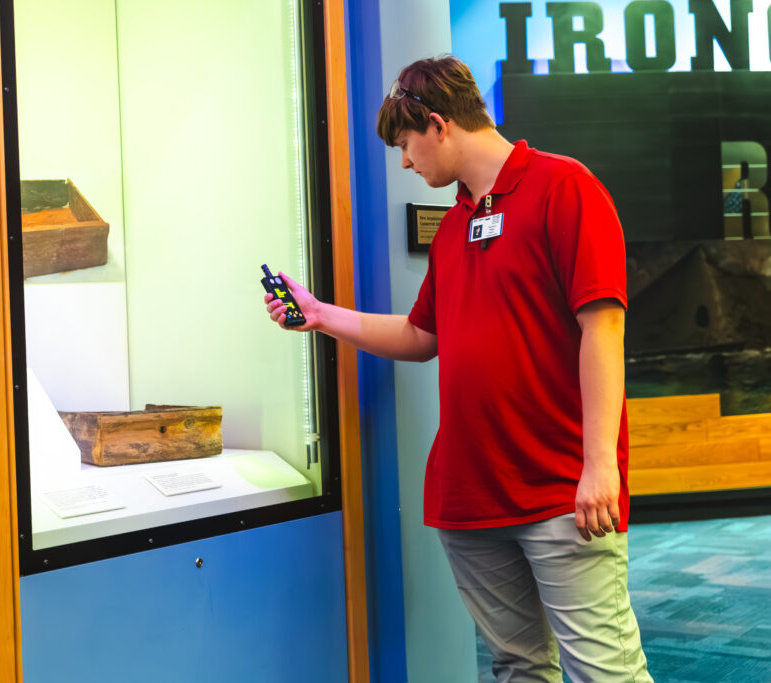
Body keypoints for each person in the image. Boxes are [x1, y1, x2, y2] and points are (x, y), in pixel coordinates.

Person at [264, 55, 651, 682]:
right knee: (518, 667)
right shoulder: (455, 226)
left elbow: (603, 326)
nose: (406, 164)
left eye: (406, 145)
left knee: (606, 673)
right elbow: (421, 336)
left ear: (438, 125)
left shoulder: (565, 187)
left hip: (560, 491)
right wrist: (319, 314)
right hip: (469, 500)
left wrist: (601, 463)